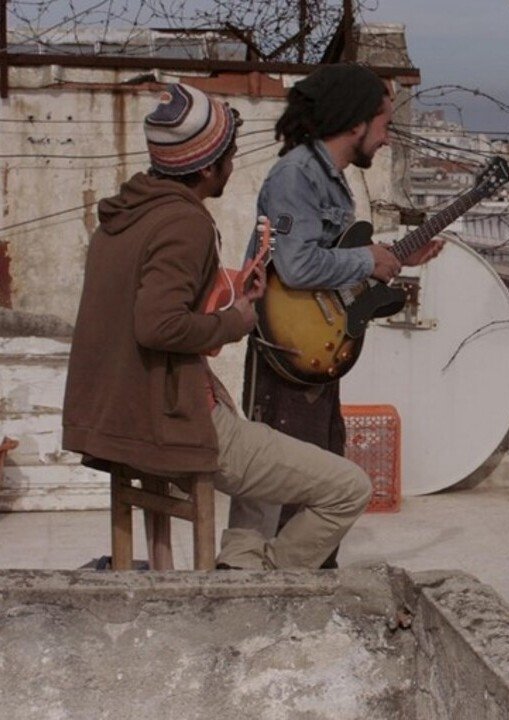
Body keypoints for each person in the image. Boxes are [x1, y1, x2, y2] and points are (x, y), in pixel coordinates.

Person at [62, 83, 372, 569]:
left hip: (117, 416)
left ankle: (239, 568)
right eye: (227, 156)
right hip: (170, 420)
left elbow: (144, 306)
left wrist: (229, 292)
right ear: (206, 166)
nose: (232, 165)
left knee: (270, 465)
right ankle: (267, 582)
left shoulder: (124, 217)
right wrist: (236, 322)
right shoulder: (184, 223)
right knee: (349, 487)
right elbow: (158, 326)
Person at [231, 63, 443, 566]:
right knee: (296, 483)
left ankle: (311, 584)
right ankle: (290, 592)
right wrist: (368, 259)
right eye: (385, 125)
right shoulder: (296, 175)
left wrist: (391, 257)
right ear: (355, 123)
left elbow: (328, 259)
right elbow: (295, 264)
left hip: (317, 349)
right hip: (287, 351)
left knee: (322, 474)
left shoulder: (331, 180)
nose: (387, 139)